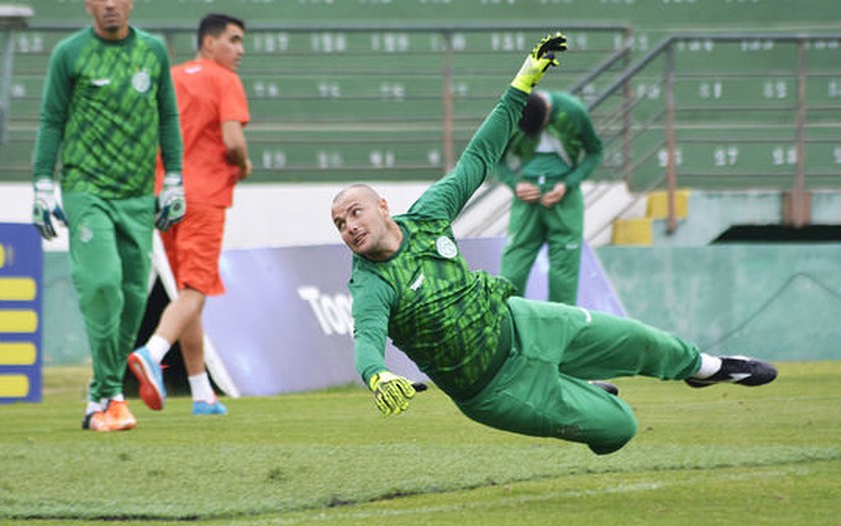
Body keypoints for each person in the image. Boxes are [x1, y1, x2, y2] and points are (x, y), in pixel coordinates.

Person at [332, 33, 777, 456]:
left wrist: (523, 81)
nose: (349, 226)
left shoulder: (429, 214)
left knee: (637, 339)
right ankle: (576, 388)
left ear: (382, 206)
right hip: (496, 386)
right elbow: (367, 340)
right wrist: (378, 375)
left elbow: (480, 154)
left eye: (355, 212)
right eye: (339, 223)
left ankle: (711, 368)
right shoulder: (372, 283)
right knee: (621, 427)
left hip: (522, 323)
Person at [32, 0, 185, 432]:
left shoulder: (152, 51)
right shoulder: (70, 53)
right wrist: (43, 184)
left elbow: (168, 116)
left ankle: (102, 395)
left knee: (135, 296)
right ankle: (112, 397)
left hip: (138, 196)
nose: (111, 5)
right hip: (87, 190)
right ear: (89, 5)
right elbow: (51, 120)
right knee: (102, 285)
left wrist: (173, 178)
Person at [128, 13, 251, 416]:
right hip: (203, 197)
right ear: (210, 42)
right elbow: (233, 139)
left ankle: (202, 393)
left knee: (187, 293)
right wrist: (245, 164)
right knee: (196, 290)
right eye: (233, 40)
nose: (240, 50)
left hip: (166, 197)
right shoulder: (224, 79)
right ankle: (152, 352)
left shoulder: (173, 76)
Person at [493, 88, 603, 305]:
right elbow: (496, 157)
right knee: (511, 273)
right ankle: (507, 330)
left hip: (564, 198)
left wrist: (568, 184)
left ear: (549, 110)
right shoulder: (512, 113)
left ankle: (560, 334)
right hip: (526, 200)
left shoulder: (573, 111)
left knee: (563, 280)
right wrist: (515, 184)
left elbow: (595, 151)